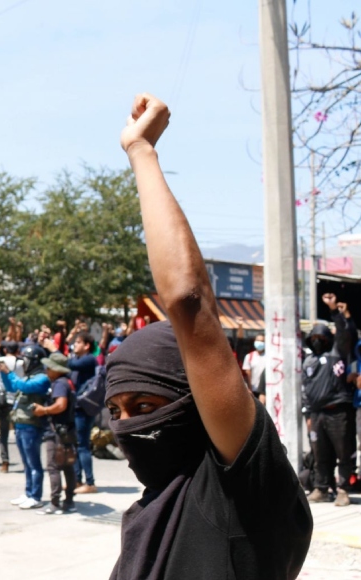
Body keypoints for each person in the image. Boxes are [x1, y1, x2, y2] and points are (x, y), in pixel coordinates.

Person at [107, 93, 311, 579]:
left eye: (145, 407)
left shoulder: (241, 496)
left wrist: (141, 152)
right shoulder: (152, 511)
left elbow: (188, 303)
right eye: (117, 412)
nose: (125, 427)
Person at [302, 321, 354, 507]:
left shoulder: (336, 354)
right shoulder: (308, 361)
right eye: (314, 338)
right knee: (320, 453)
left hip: (337, 411)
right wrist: (307, 415)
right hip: (316, 414)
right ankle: (321, 488)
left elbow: (345, 336)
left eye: (321, 338)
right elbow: (305, 390)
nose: (317, 341)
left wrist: (336, 314)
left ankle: (343, 489)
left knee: (344, 452)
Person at [1, 344, 51, 510]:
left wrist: (10, 373)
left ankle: (36, 496)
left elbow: (23, 387)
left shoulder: (41, 378)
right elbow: (12, 387)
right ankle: (29, 493)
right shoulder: (29, 377)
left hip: (31, 425)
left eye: (26, 360)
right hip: (21, 423)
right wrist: (5, 374)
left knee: (34, 463)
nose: (24, 364)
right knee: (26, 463)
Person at [35, 353, 76, 515]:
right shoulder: (67, 382)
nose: (46, 370)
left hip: (57, 431)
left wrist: (43, 410)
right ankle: (69, 501)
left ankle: (55, 502)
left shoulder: (59, 384)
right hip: (68, 430)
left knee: (54, 466)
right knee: (67, 465)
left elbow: (60, 405)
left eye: (49, 367)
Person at [69, 333, 100, 494]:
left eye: (78, 342)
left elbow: (71, 364)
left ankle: (90, 482)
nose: (75, 344)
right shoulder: (81, 360)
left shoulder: (88, 359)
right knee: (77, 444)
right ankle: (77, 480)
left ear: (87, 345)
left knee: (82, 445)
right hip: (78, 407)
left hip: (83, 408)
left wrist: (54, 349)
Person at [0, 341, 21, 473]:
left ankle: (5, 462)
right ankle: (26, 459)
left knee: (3, 433)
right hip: (17, 400)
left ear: (4, 350)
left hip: (2, 400)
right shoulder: (20, 363)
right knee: (20, 431)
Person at [242, 334, 266, 403]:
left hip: (265, 390)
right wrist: (249, 389)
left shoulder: (269, 356)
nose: (260, 343)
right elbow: (247, 373)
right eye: (258, 340)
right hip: (253, 389)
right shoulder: (249, 356)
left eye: (262, 341)